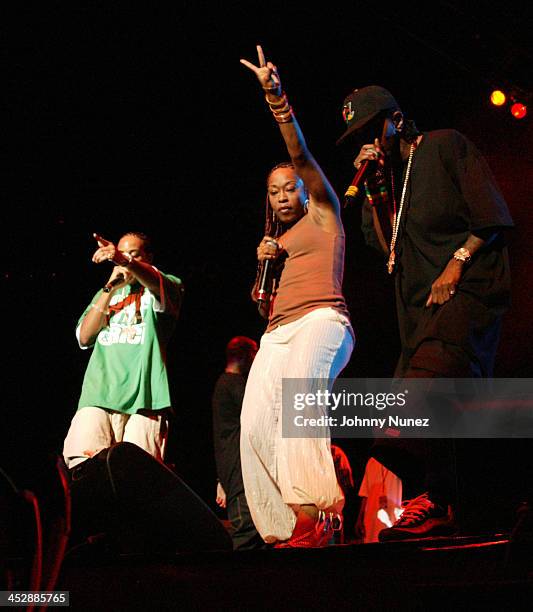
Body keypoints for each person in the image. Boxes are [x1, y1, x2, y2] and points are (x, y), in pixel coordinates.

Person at [336, 85, 514, 540]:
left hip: (468, 290)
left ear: (395, 120)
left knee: (419, 398)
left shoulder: (444, 144)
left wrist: (457, 263)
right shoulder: (392, 183)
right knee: (444, 413)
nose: (368, 139)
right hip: (420, 315)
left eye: (370, 128)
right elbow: (383, 247)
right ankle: (444, 503)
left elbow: (492, 216)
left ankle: (440, 499)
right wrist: (373, 184)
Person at [239, 46, 355, 548]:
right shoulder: (275, 246)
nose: (284, 195)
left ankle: (316, 514)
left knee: (299, 402)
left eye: (290, 188)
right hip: (277, 331)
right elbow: (264, 306)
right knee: (254, 425)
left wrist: (276, 99)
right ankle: (284, 529)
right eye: (274, 191)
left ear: (305, 191)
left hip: (322, 321)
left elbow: (301, 155)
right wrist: (264, 267)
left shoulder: (324, 215)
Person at [63, 231, 184, 470]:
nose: (122, 260)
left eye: (133, 254)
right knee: (86, 472)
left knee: (135, 477)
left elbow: (155, 282)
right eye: (119, 254)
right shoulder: (108, 293)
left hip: (145, 399)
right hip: (98, 396)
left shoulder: (166, 285)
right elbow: (84, 337)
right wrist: (108, 288)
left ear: (147, 257)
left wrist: (124, 260)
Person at [212, 336, 264, 551]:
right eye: (254, 355)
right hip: (242, 474)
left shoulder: (222, 384)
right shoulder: (235, 385)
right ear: (245, 356)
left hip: (233, 472)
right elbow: (263, 415)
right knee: (248, 532)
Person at [354, 457, 403, 544]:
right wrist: (359, 518)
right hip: (371, 518)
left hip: (392, 517)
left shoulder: (399, 461)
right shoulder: (371, 461)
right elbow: (365, 493)